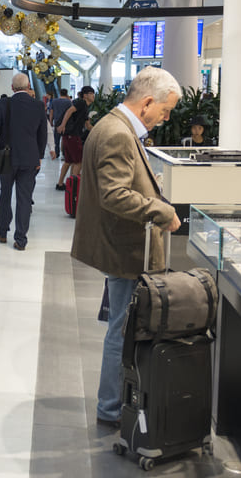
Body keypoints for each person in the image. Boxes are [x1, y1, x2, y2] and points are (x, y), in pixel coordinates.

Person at [71, 67, 182, 429]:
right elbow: (114, 194)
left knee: (123, 326)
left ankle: (115, 403)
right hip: (126, 249)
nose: (165, 119)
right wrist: (161, 209)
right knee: (123, 331)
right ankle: (112, 407)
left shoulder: (115, 127)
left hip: (122, 244)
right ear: (148, 102)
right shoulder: (118, 133)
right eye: (165, 111)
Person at [0, 72, 47, 251]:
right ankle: (21, 238)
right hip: (29, 158)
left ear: (12, 88)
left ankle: (3, 232)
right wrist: (39, 156)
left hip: (6, 157)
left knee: (5, 194)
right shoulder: (38, 106)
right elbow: (41, 134)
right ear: (28, 87)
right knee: (24, 198)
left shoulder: (4, 104)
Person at [54, 85, 95, 191]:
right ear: (85, 95)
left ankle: (60, 183)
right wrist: (63, 125)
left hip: (70, 135)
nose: (93, 96)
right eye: (91, 93)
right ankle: (73, 185)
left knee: (69, 161)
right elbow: (69, 111)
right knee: (78, 161)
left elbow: (87, 125)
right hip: (73, 135)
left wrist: (98, 130)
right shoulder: (81, 102)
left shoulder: (85, 107)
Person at [47, 92, 72, 160]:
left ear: (60, 93)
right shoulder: (68, 102)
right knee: (65, 139)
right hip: (66, 123)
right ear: (66, 94)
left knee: (56, 139)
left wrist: (51, 121)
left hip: (57, 122)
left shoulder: (54, 101)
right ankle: (64, 154)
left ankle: (56, 153)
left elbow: (51, 112)